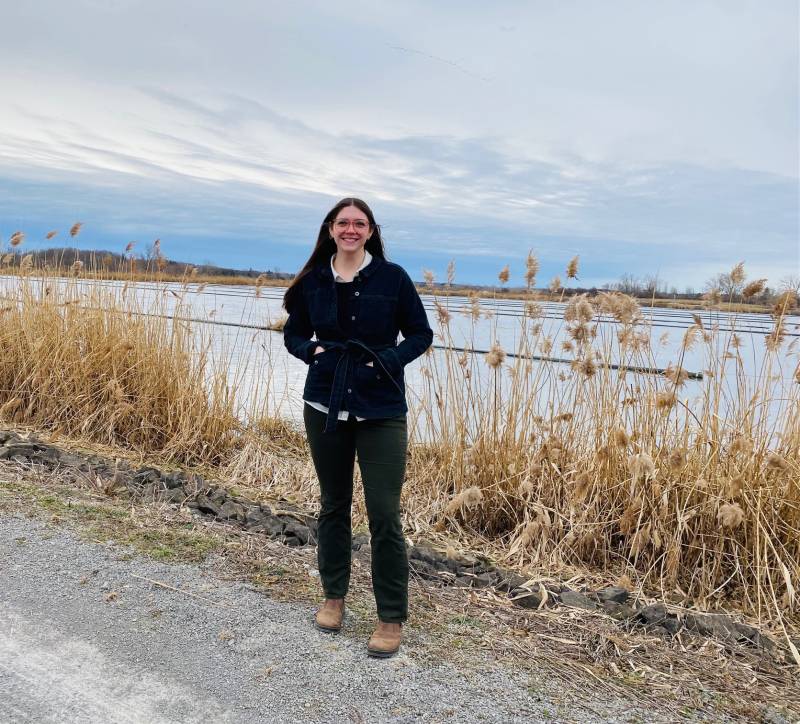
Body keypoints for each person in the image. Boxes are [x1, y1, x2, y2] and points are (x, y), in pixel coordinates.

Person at [282, 197, 433, 658]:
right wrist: (312, 352)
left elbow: (421, 334)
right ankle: (334, 597)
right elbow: (293, 332)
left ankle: (390, 618)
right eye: (343, 222)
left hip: (381, 409)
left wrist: (387, 359)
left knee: (384, 513)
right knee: (333, 505)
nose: (351, 229)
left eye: (359, 223)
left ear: (370, 231)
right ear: (331, 229)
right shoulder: (313, 281)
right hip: (323, 403)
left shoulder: (392, 278)